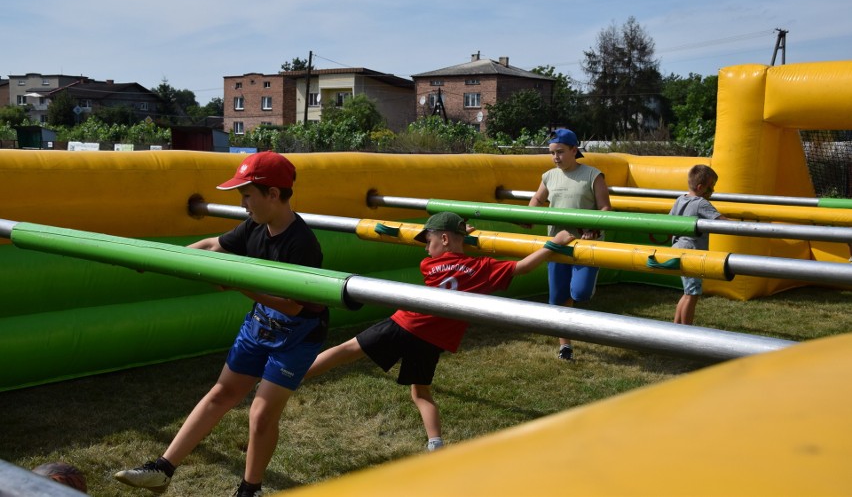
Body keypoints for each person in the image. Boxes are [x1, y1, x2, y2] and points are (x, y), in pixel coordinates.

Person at [115, 151, 326, 497]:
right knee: (222, 393)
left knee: (260, 413)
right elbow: (215, 245)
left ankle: (250, 489)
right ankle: (162, 470)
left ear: (272, 194)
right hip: (260, 325)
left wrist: (239, 285)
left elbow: (293, 304)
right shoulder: (255, 226)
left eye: (247, 195)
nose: (242, 204)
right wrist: (163, 260)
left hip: (296, 335)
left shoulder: (301, 243)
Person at [304, 211, 575, 452]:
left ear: (444, 239)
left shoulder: (429, 266)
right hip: (433, 341)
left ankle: (294, 377)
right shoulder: (481, 268)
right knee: (421, 393)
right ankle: (436, 443)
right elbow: (523, 267)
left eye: (429, 242)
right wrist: (554, 244)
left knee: (346, 350)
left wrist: (459, 238)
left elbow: (450, 261)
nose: (426, 250)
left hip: (405, 325)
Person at [526, 128, 611, 362]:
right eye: (552, 153)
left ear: (575, 150)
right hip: (556, 243)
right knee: (557, 299)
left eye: (560, 152)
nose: (556, 157)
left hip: (587, 245)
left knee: (580, 293)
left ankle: (585, 286)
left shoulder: (593, 175)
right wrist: (529, 214)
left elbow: (605, 208)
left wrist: (595, 228)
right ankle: (566, 346)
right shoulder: (549, 176)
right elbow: (537, 199)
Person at [669, 164, 728, 325]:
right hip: (692, 252)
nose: (713, 191)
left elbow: (669, 221)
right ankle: (686, 330)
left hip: (678, 249)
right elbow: (720, 221)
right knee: (692, 294)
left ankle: (676, 328)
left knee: (688, 292)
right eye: (712, 186)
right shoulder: (701, 203)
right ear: (701, 187)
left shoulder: (680, 199)